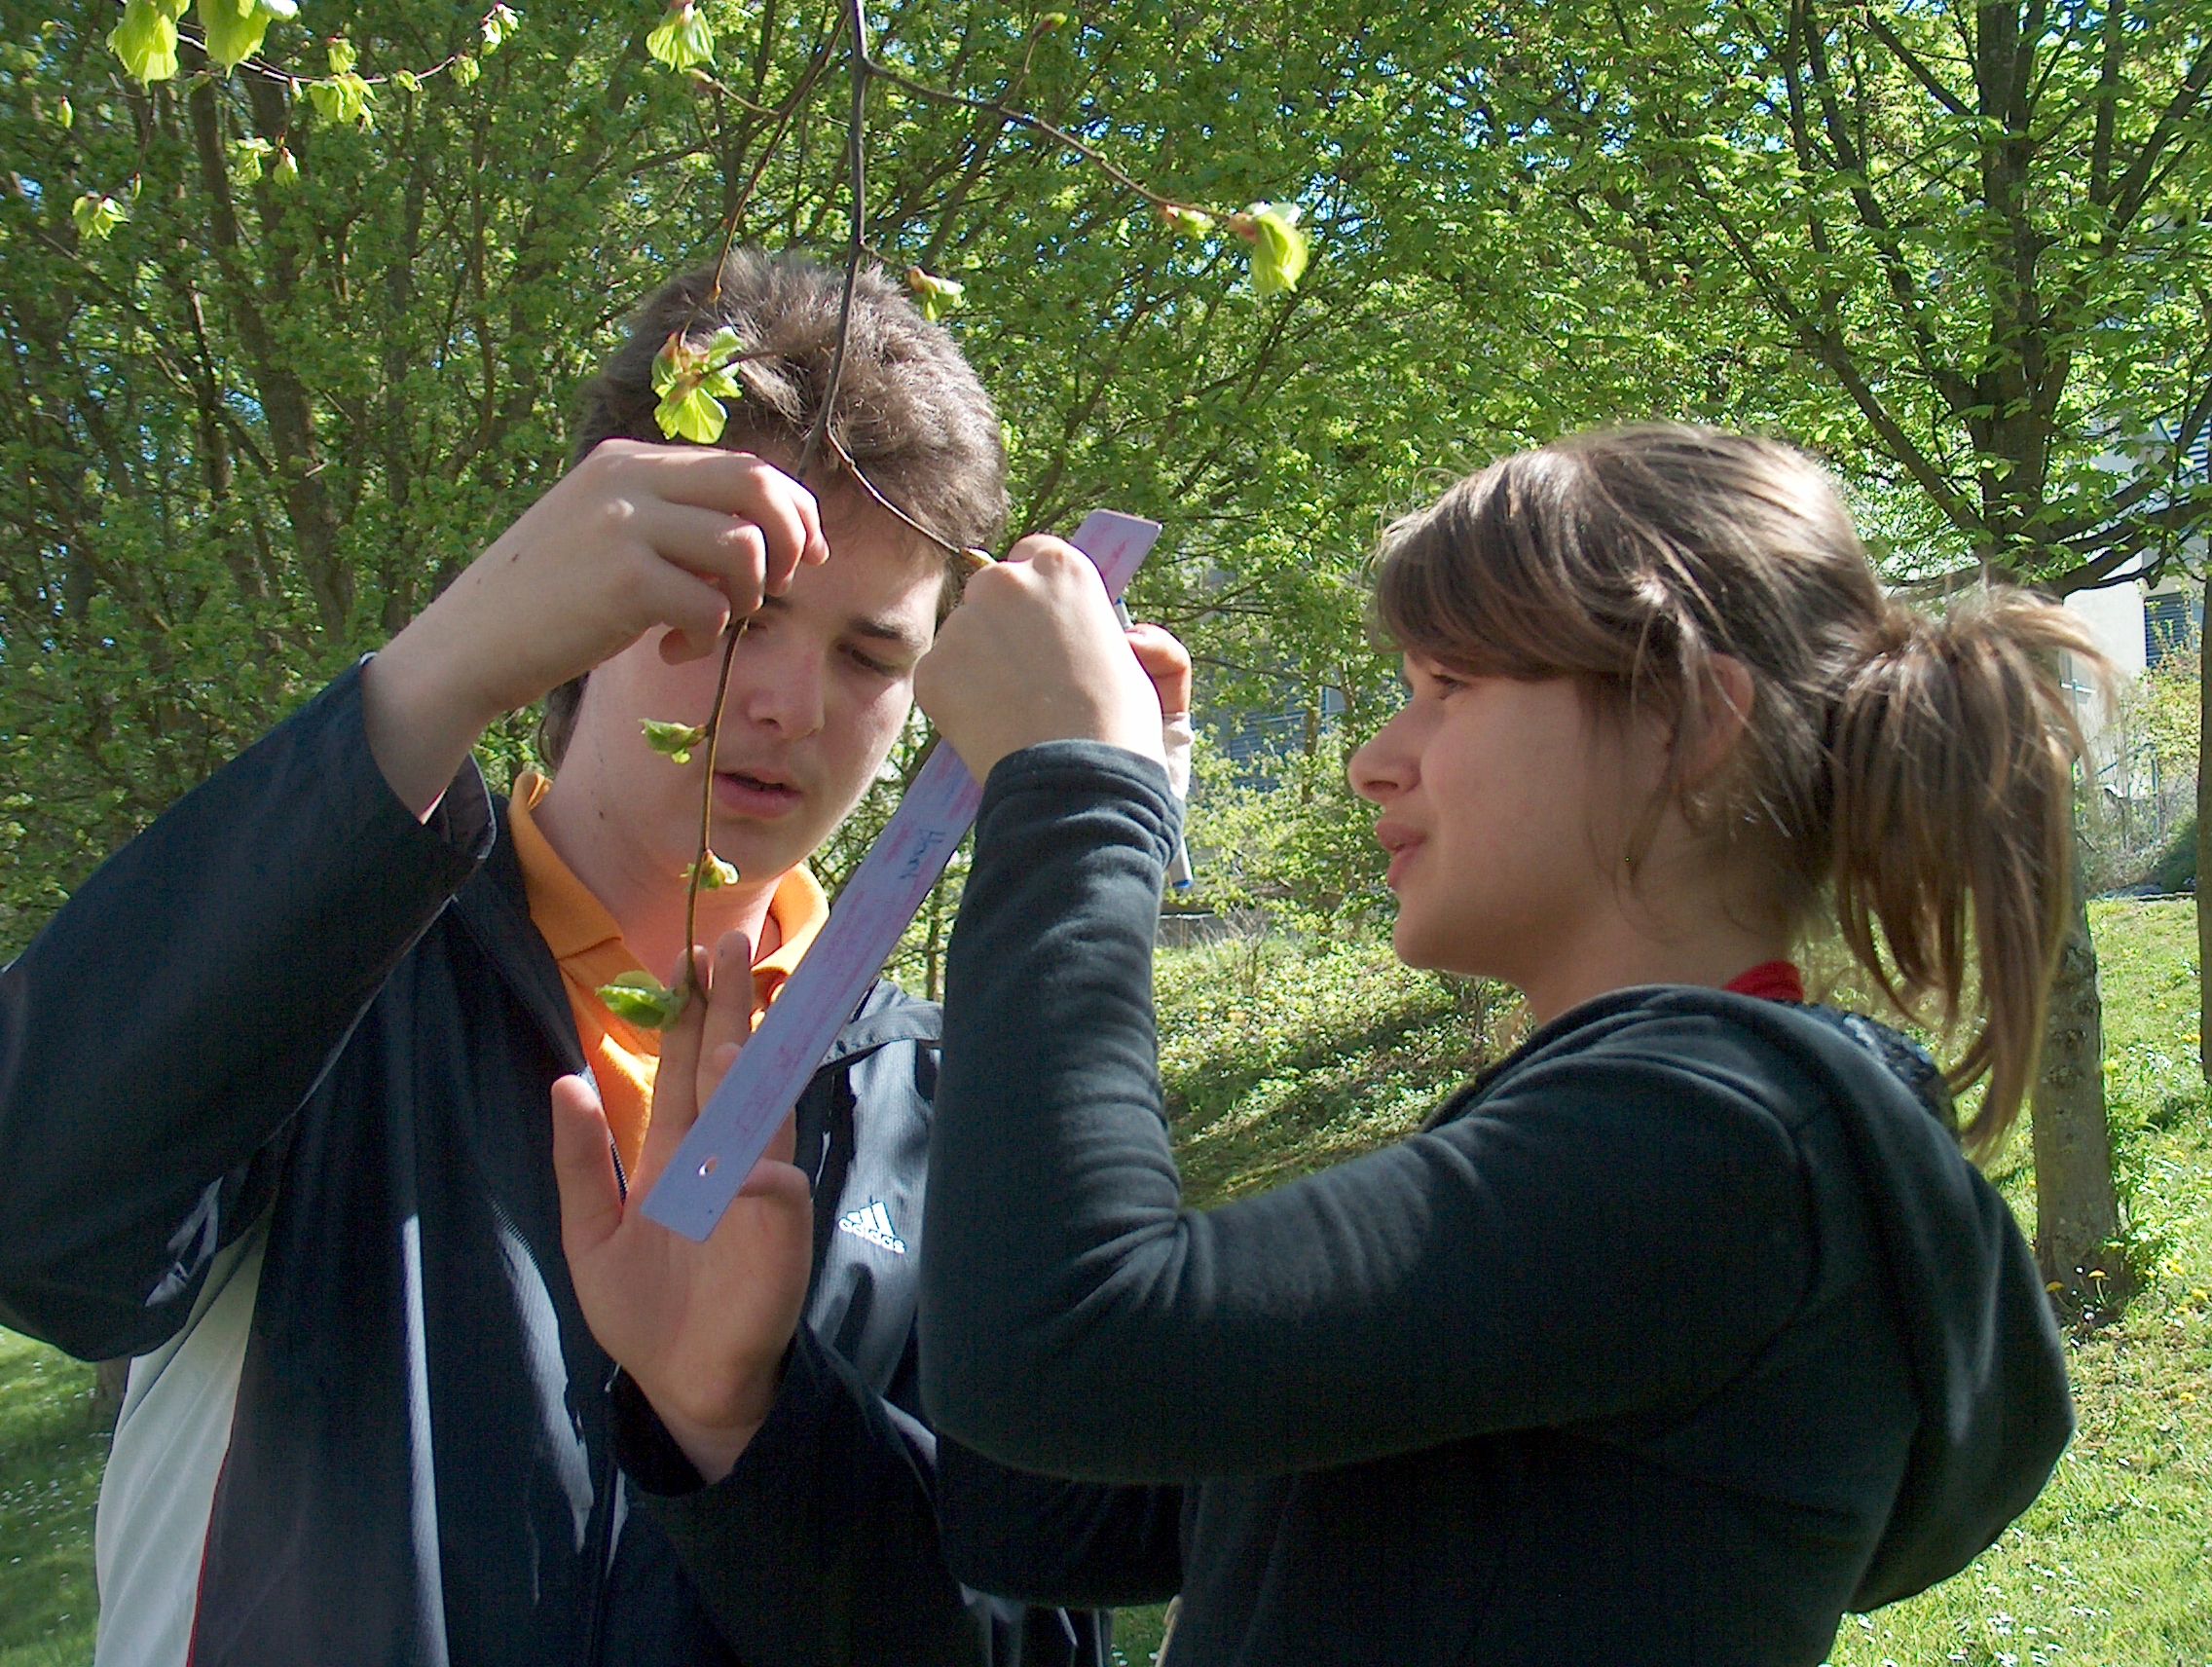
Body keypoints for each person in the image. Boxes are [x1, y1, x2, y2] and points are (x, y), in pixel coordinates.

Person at [0, 248, 1167, 1667]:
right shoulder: (331, 957)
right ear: (594, 583)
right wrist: (437, 672)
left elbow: (1025, 1630)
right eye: (737, 611)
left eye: (872, 658)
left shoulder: (947, 1101)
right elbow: (43, 1227)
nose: (792, 703)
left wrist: (744, 1429)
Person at [880, 425, 2083, 1663]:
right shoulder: (1637, 1155)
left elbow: (1063, 1351)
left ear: (1680, 718)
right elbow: (1040, 1500)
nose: (1372, 761)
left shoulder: (1723, 1142)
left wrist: (1078, 795)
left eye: (1447, 686)